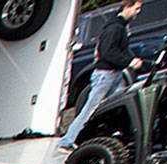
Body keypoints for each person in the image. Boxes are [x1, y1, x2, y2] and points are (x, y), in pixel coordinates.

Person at [60, 0, 147, 151]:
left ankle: (115, 137)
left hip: (115, 74)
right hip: (105, 75)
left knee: (119, 106)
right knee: (91, 108)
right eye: (137, 8)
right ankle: (68, 140)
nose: (138, 12)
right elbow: (108, 53)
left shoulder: (121, 27)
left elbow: (121, 50)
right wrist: (129, 62)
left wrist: (132, 60)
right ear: (127, 7)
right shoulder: (114, 28)